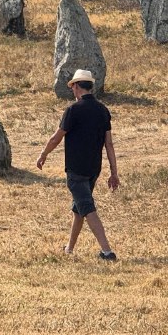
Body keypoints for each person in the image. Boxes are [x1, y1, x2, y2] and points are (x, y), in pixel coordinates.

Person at [36, 69, 120, 261]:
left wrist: (43, 154)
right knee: (79, 209)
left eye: (72, 86)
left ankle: (107, 252)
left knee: (87, 208)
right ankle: (69, 248)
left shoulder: (73, 110)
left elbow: (56, 138)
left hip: (76, 170)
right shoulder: (103, 110)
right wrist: (114, 172)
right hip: (94, 169)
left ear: (76, 86)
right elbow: (109, 144)